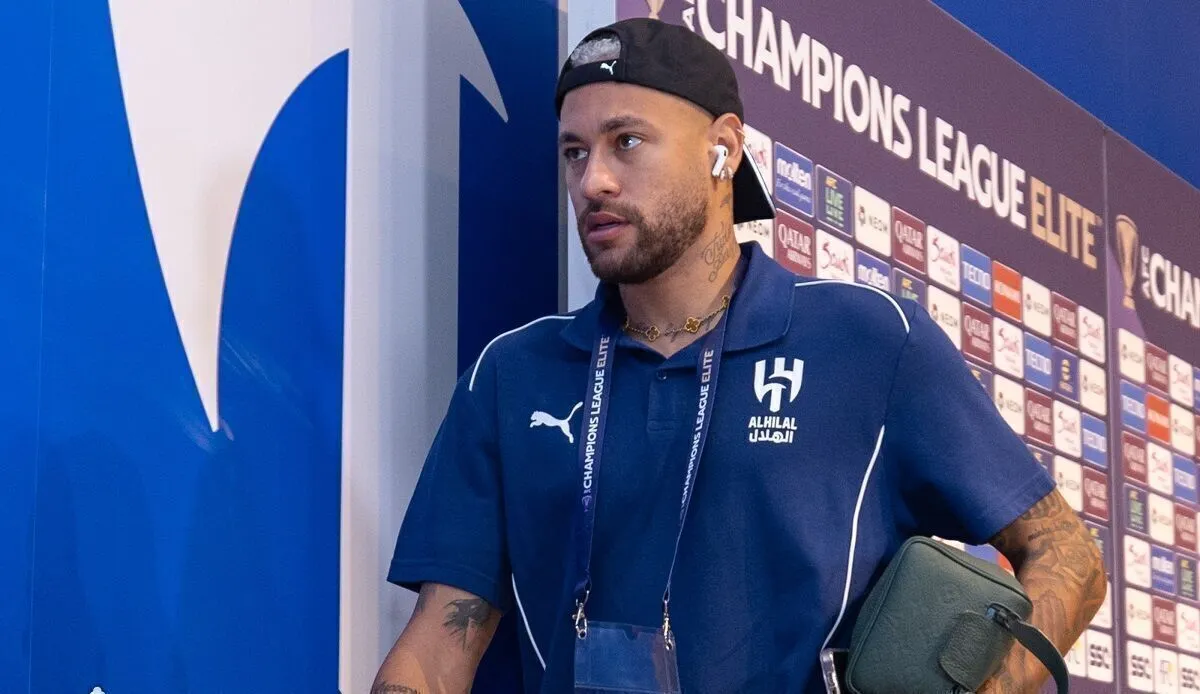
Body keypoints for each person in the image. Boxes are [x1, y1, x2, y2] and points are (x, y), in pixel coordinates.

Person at [372, 17, 1106, 694]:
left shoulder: (868, 340)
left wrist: (986, 686)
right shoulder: (512, 374)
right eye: (575, 151)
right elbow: (437, 647)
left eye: (627, 142)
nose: (593, 180)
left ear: (722, 147)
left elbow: (1067, 557)